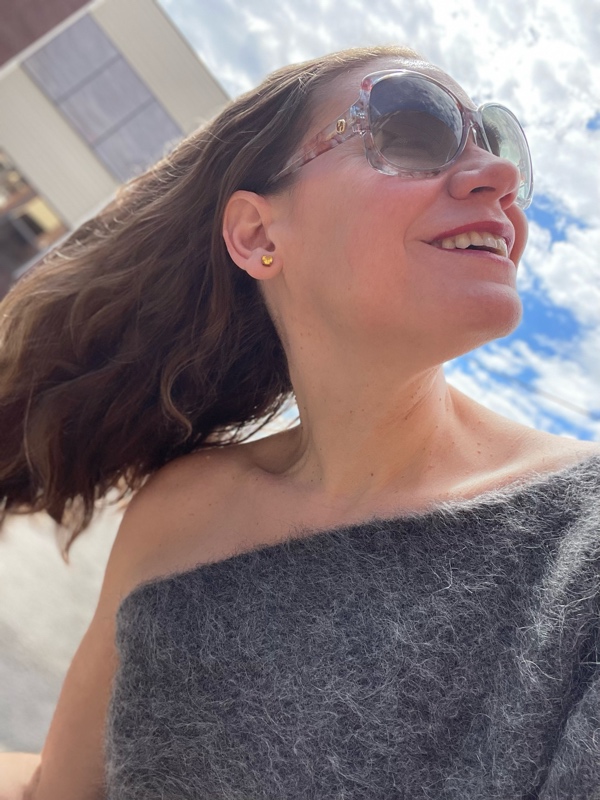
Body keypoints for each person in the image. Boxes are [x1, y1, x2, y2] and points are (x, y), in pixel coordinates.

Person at [0, 44, 599, 800]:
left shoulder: (581, 557)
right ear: (257, 235)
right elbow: (59, 788)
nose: (504, 178)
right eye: (412, 127)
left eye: (501, 145)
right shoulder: (186, 511)